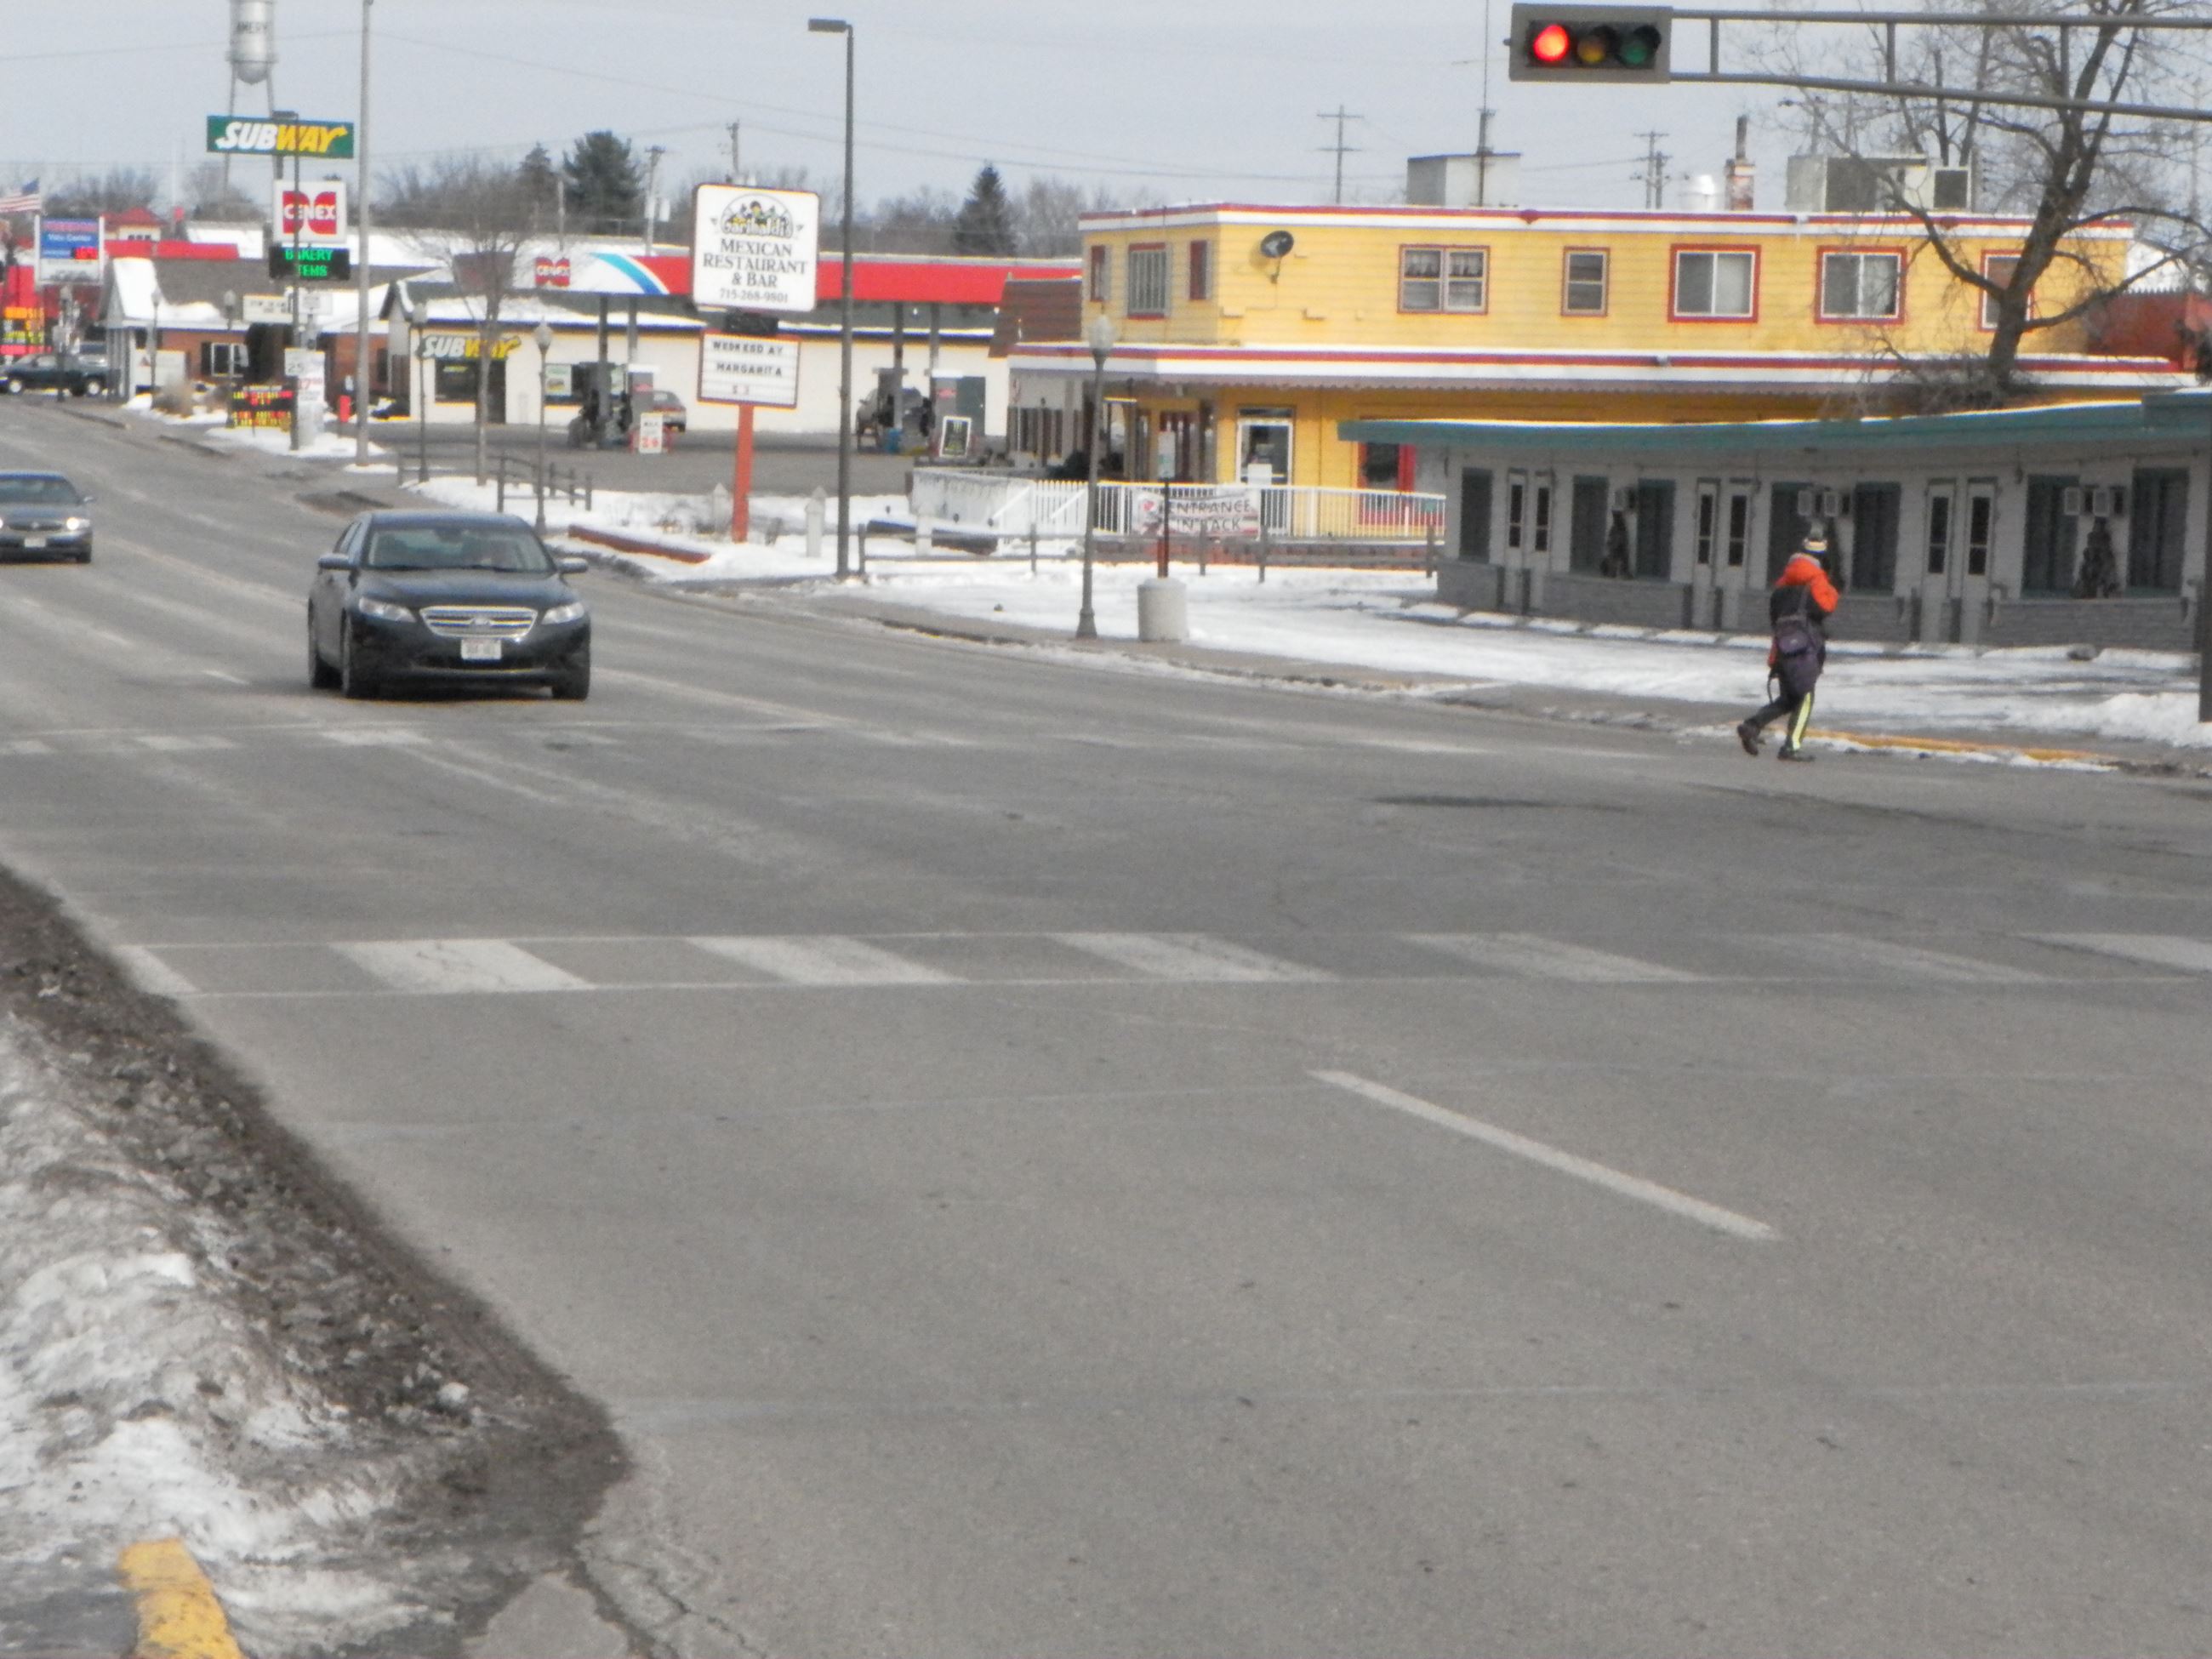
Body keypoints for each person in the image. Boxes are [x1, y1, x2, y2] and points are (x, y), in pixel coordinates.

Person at [1737, 531, 1840, 762]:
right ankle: (1791, 747)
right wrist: (1831, 588)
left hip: (1783, 649)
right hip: (1803, 652)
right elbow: (1827, 607)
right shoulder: (1817, 581)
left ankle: (1752, 726)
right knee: (1805, 697)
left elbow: (1775, 620)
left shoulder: (1783, 584)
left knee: (1788, 698)